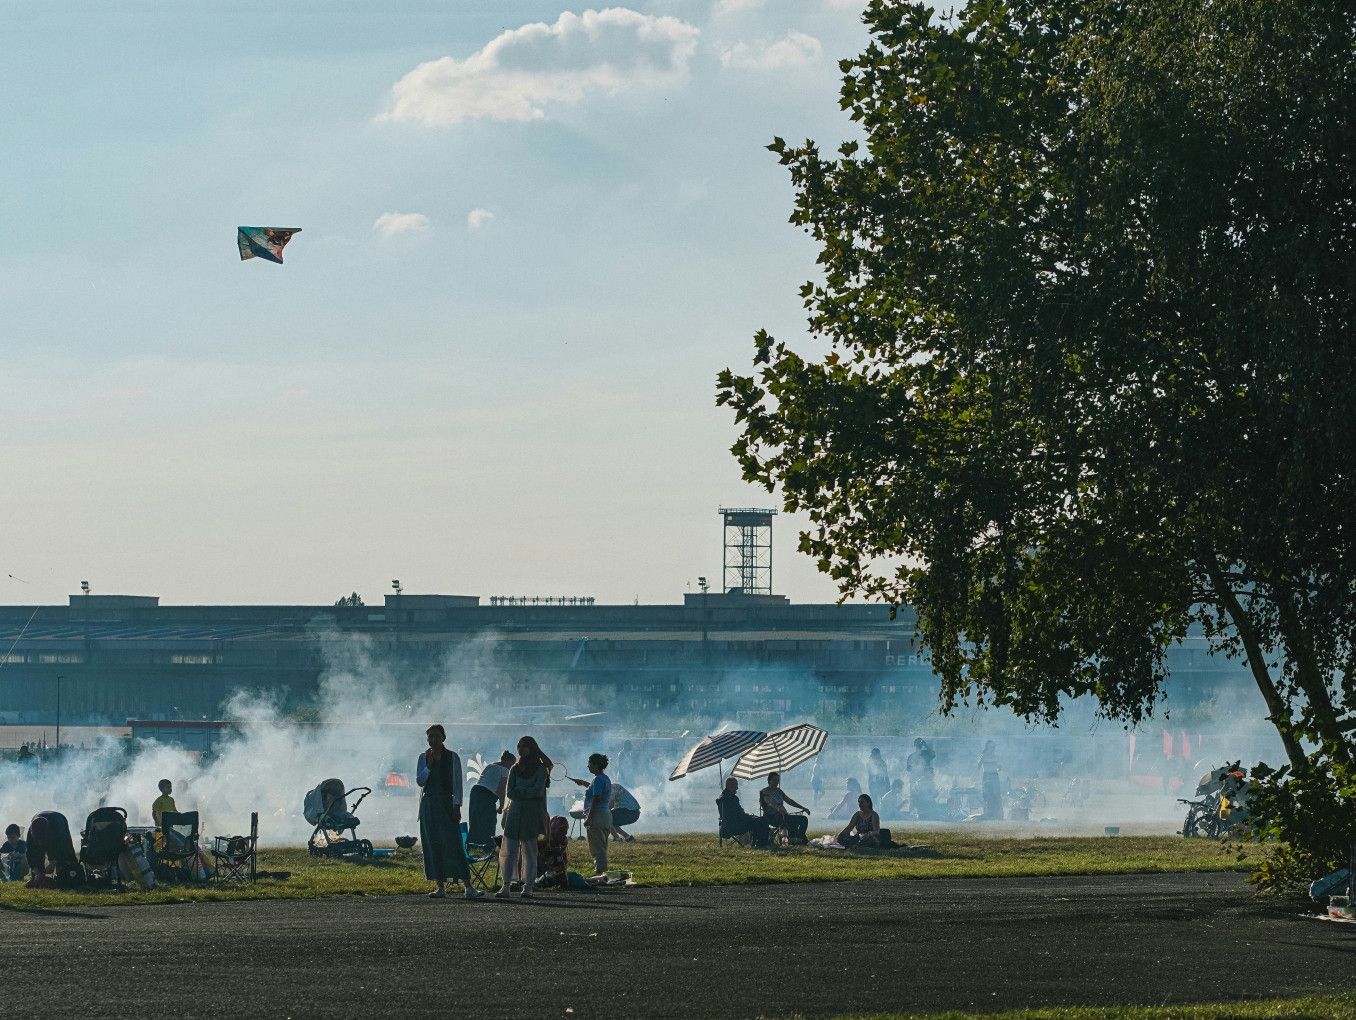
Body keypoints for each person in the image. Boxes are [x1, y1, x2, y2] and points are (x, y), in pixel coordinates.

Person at [417, 723, 483, 900]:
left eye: (437, 736)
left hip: (446, 803)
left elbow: (457, 784)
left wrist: (457, 806)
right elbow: (420, 781)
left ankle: (468, 886)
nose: (433, 739)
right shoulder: (423, 757)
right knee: (433, 844)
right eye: (430, 736)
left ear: (443, 738)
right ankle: (440, 886)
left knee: (453, 843)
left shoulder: (452, 757)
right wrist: (429, 766)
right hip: (429, 804)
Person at [498, 735, 552, 898]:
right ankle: (506, 885)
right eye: (519, 746)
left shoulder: (541, 769)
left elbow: (537, 791)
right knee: (509, 850)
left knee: (529, 850)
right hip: (515, 813)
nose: (521, 749)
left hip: (532, 814)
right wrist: (525, 791)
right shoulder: (515, 769)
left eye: (524, 746)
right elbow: (509, 792)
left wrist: (521, 791)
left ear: (532, 748)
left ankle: (528, 885)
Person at [571, 753, 613, 875]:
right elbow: (595, 788)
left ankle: (600, 873)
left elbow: (596, 798)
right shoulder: (605, 778)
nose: (588, 766)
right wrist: (583, 782)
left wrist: (589, 817)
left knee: (597, 848)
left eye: (589, 764)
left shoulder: (598, 779)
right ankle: (603, 872)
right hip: (606, 816)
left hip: (597, 816)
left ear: (596, 765)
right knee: (602, 846)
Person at [469, 750, 515, 844]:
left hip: (476, 791)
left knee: (475, 818)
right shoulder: (505, 770)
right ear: (508, 761)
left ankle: (473, 842)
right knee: (489, 820)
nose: (511, 767)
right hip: (487, 795)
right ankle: (488, 843)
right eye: (512, 764)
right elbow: (501, 790)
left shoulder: (490, 765)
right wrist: (502, 806)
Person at [717, 778, 771, 847]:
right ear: (730, 786)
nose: (737, 787)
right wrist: (749, 817)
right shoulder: (730, 799)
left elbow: (736, 814)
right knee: (763, 820)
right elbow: (739, 815)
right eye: (736, 785)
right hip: (737, 826)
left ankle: (755, 843)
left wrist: (748, 817)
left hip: (727, 826)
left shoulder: (723, 797)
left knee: (757, 820)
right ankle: (760, 844)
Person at [759, 771, 810, 844]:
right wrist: (778, 808)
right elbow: (769, 802)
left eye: (778, 780)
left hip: (784, 815)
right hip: (772, 817)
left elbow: (789, 801)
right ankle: (794, 838)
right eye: (774, 780)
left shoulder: (779, 791)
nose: (777, 782)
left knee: (804, 819)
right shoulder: (764, 792)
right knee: (789, 820)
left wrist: (803, 808)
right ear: (769, 780)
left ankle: (799, 838)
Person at [979, 740, 1003, 820]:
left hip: (994, 775)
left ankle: (996, 813)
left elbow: (999, 768)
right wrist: (981, 760)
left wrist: (999, 767)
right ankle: (987, 813)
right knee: (987, 795)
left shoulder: (995, 756)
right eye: (991, 747)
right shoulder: (983, 756)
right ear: (987, 748)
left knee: (996, 795)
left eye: (993, 747)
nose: (992, 749)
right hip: (986, 775)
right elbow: (978, 766)